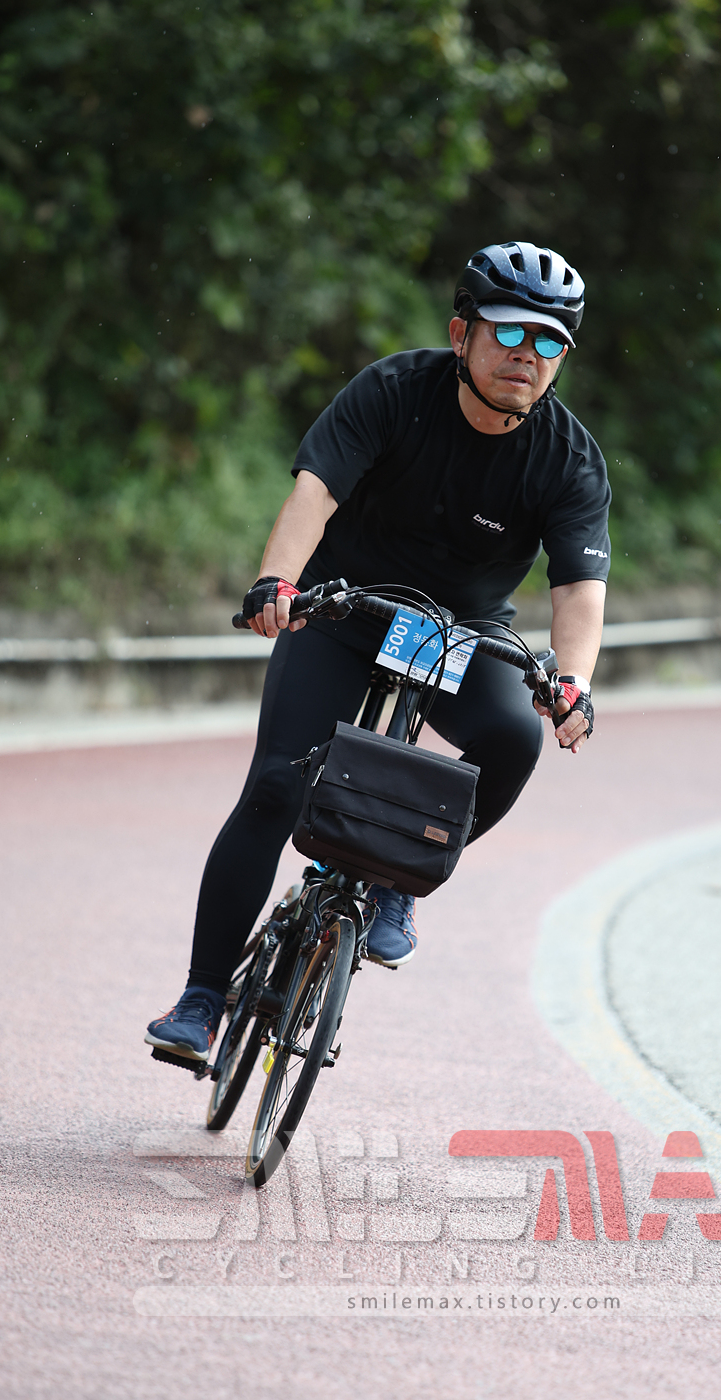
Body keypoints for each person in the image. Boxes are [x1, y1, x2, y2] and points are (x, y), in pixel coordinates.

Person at [145, 241, 610, 1064]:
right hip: (345, 606)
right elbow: (316, 491)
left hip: (457, 633)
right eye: (508, 332)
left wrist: (571, 682)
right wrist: (277, 582)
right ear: (462, 333)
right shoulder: (394, 391)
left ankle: (400, 879)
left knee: (514, 739)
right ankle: (202, 999)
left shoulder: (567, 458)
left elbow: (577, 587)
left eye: (549, 342)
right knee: (276, 789)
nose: (526, 355)